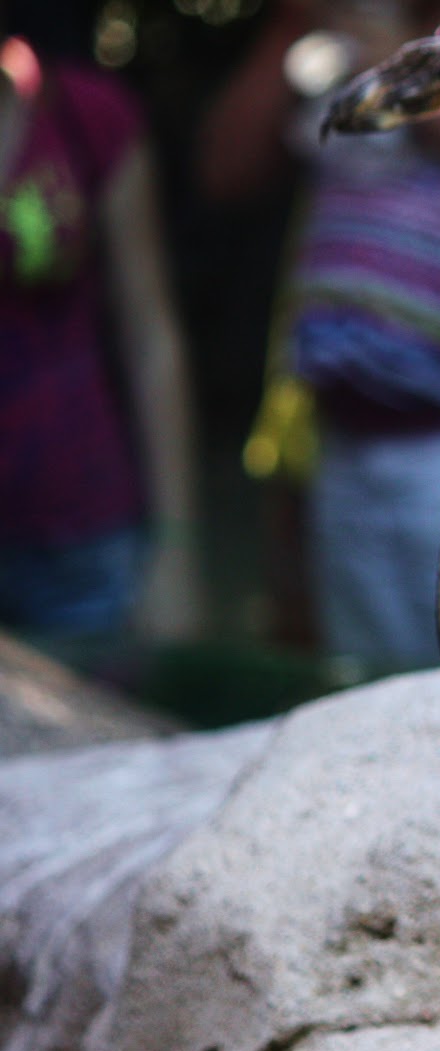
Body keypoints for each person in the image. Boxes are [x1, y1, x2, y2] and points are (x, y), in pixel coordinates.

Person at [199, 0, 440, 672]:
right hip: (345, 449)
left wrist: (416, 85)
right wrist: (293, 26)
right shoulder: (339, 28)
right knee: (370, 701)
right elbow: (225, 171)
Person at [0, 29, 202, 646]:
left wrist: (175, 548)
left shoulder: (84, 114)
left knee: (101, 734)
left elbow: (152, 335)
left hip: (81, 533)